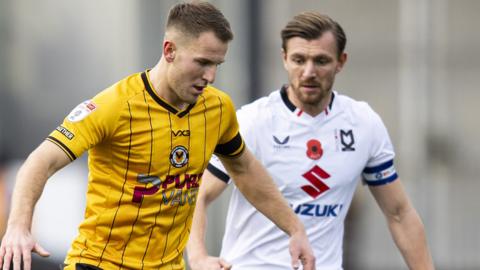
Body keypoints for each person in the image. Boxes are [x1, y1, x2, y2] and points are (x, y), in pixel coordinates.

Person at [0, 2, 316, 270]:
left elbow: (245, 169)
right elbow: (40, 161)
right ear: (169, 50)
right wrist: (18, 226)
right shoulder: (113, 106)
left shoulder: (218, 108)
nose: (210, 76)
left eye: (217, 64)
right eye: (202, 63)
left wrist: (295, 228)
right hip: (99, 263)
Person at [187, 11, 435, 270]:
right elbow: (197, 194)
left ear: (341, 62)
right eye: (298, 59)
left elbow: (399, 214)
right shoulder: (253, 121)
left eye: (321, 61)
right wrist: (198, 257)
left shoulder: (363, 124)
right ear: (284, 59)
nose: (308, 72)